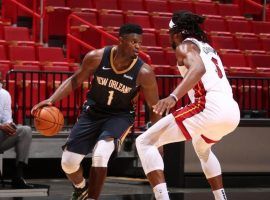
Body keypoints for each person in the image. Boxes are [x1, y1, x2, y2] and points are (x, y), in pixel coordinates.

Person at [31, 24, 160, 200]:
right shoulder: (97, 57)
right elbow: (75, 80)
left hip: (119, 116)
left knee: (100, 154)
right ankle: (81, 188)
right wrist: (52, 99)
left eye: (140, 43)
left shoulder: (144, 72)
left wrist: (157, 137)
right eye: (133, 42)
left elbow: (154, 106)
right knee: (68, 163)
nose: (138, 46)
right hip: (92, 112)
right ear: (121, 40)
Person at [136, 10, 240, 200]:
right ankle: (221, 198)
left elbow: (198, 69)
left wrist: (173, 97)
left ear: (176, 33)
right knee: (201, 147)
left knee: (144, 142)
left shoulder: (184, 46)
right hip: (232, 111)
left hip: (210, 107)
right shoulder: (207, 47)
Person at [0, 81, 33, 189]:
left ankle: (18, 175)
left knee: (25, 130)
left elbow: (7, 117)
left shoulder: (4, 94)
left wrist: (10, 125)